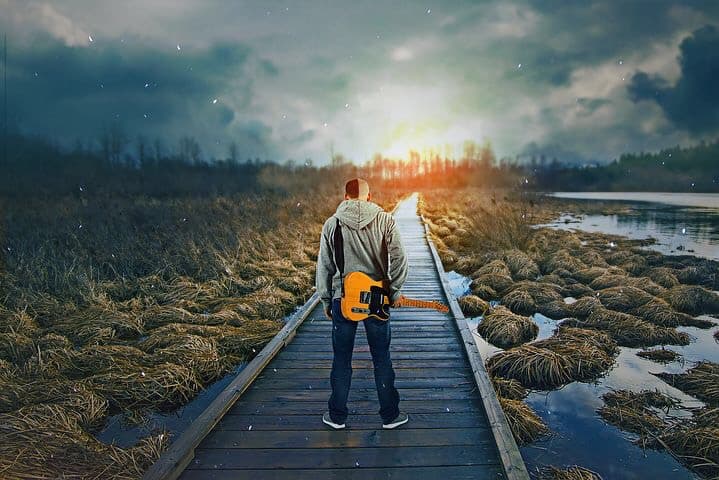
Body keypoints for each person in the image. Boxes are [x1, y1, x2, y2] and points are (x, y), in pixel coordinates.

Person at [315, 178, 409, 430]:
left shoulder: (331, 224)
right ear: (369, 197)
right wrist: (395, 290)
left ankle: (336, 416)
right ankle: (390, 416)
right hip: (377, 299)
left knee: (342, 358)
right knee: (381, 358)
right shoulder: (385, 220)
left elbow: (324, 266)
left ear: (346, 197)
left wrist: (326, 299)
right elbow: (401, 258)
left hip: (342, 298)